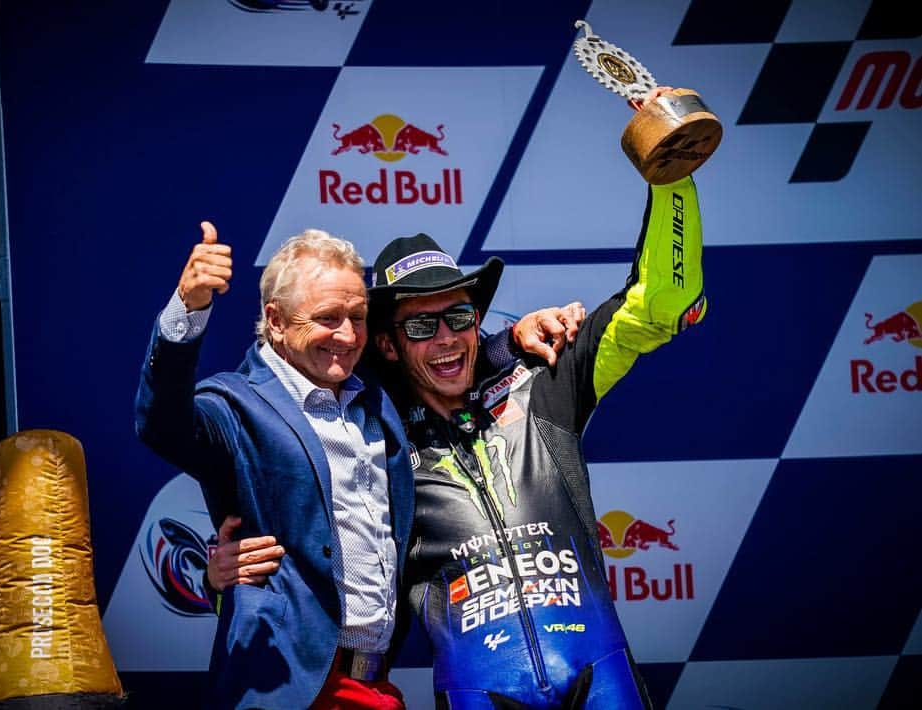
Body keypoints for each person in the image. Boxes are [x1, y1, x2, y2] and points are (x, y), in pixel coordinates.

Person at [207, 88, 707, 709]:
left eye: (461, 316)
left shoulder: (545, 377)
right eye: (421, 325)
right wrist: (227, 570)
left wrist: (673, 182)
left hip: (601, 677)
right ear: (386, 345)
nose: (447, 338)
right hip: (478, 693)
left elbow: (661, 305)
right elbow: (273, 435)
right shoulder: (369, 438)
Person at [136, 223, 585, 709]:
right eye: (328, 317)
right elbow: (164, 425)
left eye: (358, 316)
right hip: (284, 687)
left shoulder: (372, 394)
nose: (347, 335)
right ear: (277, 321)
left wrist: (510, 344)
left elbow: (438, 351)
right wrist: (189, 308)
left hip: (375, 685)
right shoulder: (237, 404)